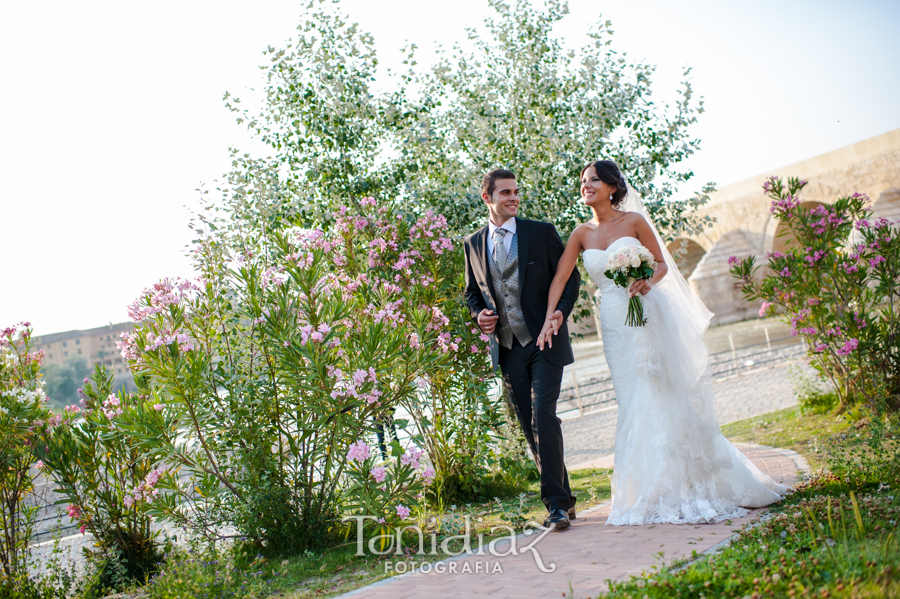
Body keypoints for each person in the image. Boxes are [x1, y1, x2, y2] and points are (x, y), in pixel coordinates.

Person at [538, 160, 785, 525]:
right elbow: (560, 278)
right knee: (629, 394)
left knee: (655, 387)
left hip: (644, 312)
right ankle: (648, 487)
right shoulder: (580, 234)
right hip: (613, 321)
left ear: (611, 187)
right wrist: (551, 315)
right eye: (582, 181)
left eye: (593, 180)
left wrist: (646, 280)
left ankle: (682, 481)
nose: (586, 185)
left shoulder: (634, 222)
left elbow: (661, 264)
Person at [464, 169, 581, 530]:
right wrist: (479, 314)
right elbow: (472, 291)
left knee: (543, 414)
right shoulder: (473, 243)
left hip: (545, 339)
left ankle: (556, 506)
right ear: (488, 198)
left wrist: (559, 314)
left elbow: (570, 277)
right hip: (508, 347)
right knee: (531, 426)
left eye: (516, 192)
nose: (514, 198)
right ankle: (566, 499)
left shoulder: (540, 232)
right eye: (505, 193)